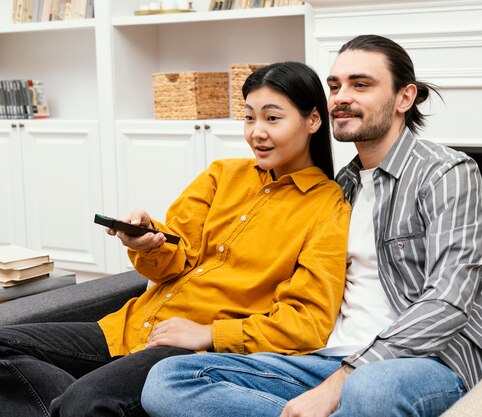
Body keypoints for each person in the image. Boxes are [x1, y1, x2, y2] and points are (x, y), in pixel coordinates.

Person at [141, 34, 482, 417]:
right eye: (335, 86)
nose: (340, 97)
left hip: (430, 363)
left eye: (360, 84)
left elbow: (448, 299)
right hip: (324, 358)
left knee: (371, 388)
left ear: (405, 97)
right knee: (170, 379)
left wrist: (341, 382)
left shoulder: (446, 172)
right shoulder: (338, 188)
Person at [0, 61, 351, 417]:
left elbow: (307, 323)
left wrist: (209, 333)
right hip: (129, 328)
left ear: (313, 121)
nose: (257, 132)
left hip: (190, 356)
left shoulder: (329, 209)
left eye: (272, 119)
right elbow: (176, 253)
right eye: (249, 118)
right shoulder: (222, 175)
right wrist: (145, 243)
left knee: (87, 401)